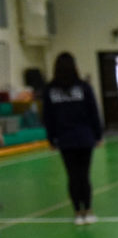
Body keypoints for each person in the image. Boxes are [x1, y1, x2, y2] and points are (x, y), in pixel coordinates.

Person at [42, 52, 103, 226]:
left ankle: (78, 212)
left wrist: (51, 139)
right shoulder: (84, 87)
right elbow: (94, 112)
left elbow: (48, 117)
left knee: (73, 176)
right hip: (84, 137)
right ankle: (88, 210)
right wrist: (98, 134)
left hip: (65, 139)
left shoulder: (50, 90)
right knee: (84, 175)